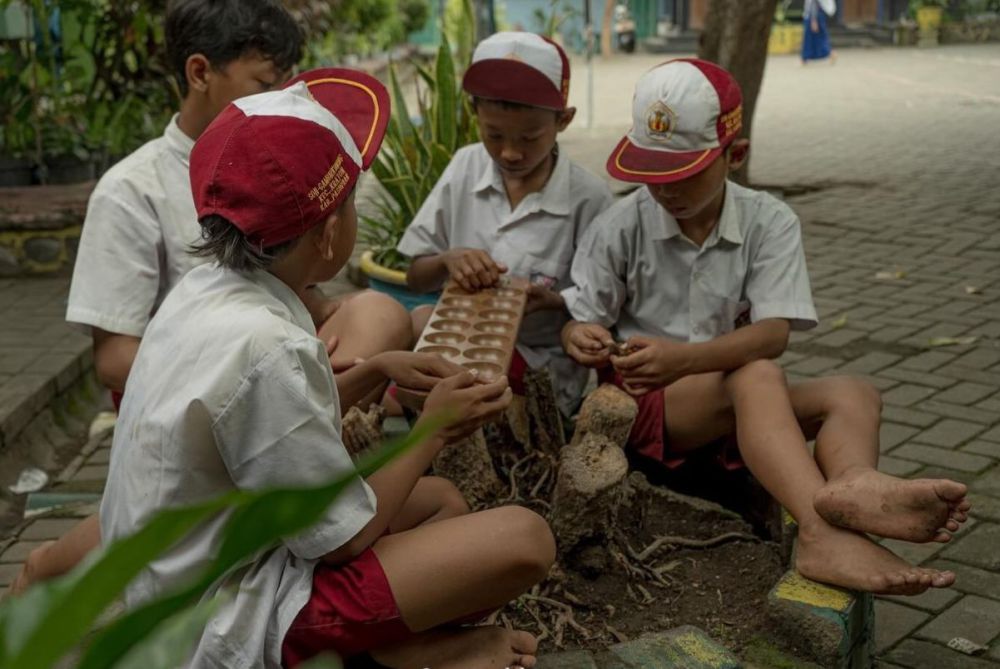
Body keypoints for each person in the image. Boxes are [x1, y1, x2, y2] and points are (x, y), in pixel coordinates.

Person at [100, 72, 555, 669]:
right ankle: (386, 657)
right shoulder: (266, 345)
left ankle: (402, 650)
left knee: (441, 498)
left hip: (178, 579)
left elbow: (267, 430)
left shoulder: (203, 294)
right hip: (218, 616)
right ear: (331, 232)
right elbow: (343, 541)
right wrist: (431, 430)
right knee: (524, 539)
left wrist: (378, 370)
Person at [14, 0, 428, 598]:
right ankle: (47, 571)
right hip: (195, 395)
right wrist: (275, 370)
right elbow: (115, 358)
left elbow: (300, 302)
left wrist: (329, 359)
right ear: (200, 71)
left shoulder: (285, 159)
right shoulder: (131, 189)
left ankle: (317, 467)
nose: (284, 97)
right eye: (266, 82)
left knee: (381, 312)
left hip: (260, 356)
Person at [560, 58, 971, 596]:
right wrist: (580, 337)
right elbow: (582, 320)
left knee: (854, 393)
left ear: (736, 156)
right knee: (757, 376)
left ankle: (853, 486)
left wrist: (684, 358)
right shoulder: (618, 225)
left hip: (739, 399)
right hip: (647, 404)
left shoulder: (769, 221)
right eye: (653, 174)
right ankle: (821, 533)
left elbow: (774, 333)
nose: (666, 190)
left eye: (684, 173)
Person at [398, 31, 613, 416]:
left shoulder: (589, 198)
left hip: (536, 371)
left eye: (530, 137)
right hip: (461, 346)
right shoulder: (465, 165)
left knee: (450, 392)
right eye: (493, 135)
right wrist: (448, 259)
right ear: (474, 115)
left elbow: (600, 309)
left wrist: (552, 301)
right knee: (416, 319)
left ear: (563, 120)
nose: (510, 152)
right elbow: (416, 276)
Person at [802, 0, 836, 64]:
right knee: (816, 38)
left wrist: (813, 19)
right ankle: (804, 58)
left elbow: (814, 3)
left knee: (816, 38)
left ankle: (831, 53)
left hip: (815, 15)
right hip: (816, 14)